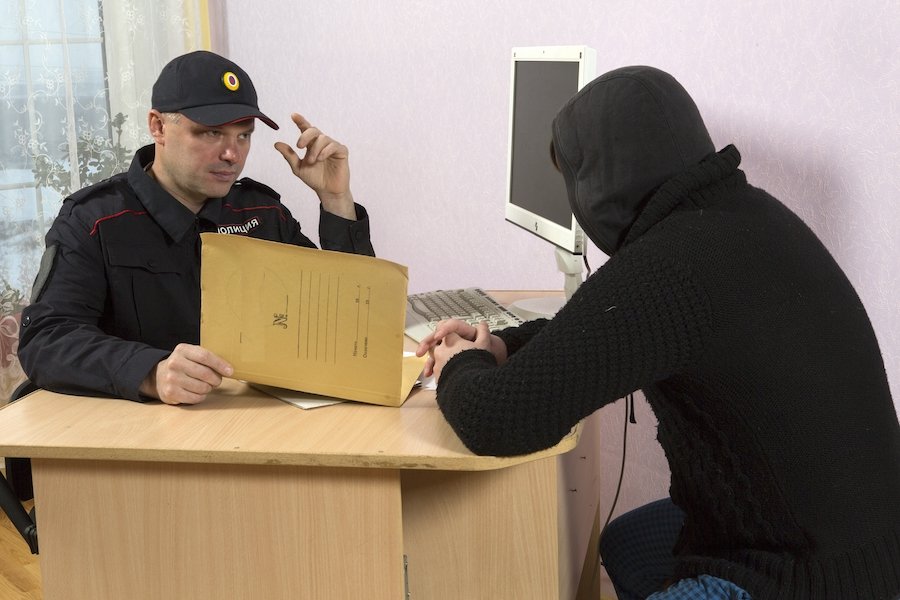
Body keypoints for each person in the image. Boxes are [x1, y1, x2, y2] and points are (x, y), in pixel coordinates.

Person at [417, 66, 900, 599]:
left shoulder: (671, 266)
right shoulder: (740, 216)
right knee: (624, 544)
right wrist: (502, 346)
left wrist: (459, 363)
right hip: (864, 547)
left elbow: (499, 420)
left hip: (805, 577)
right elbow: (599, 332)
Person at [18, 50, 375, 406]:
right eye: (211, 133)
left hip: (253, 415)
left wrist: (335, 199)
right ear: (158, 127)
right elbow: (46, 340)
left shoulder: (262, 212)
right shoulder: (94, 218)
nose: (231, 154)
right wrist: (150, 372)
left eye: (243, 136)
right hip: (139, 428)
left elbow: (347, 319)